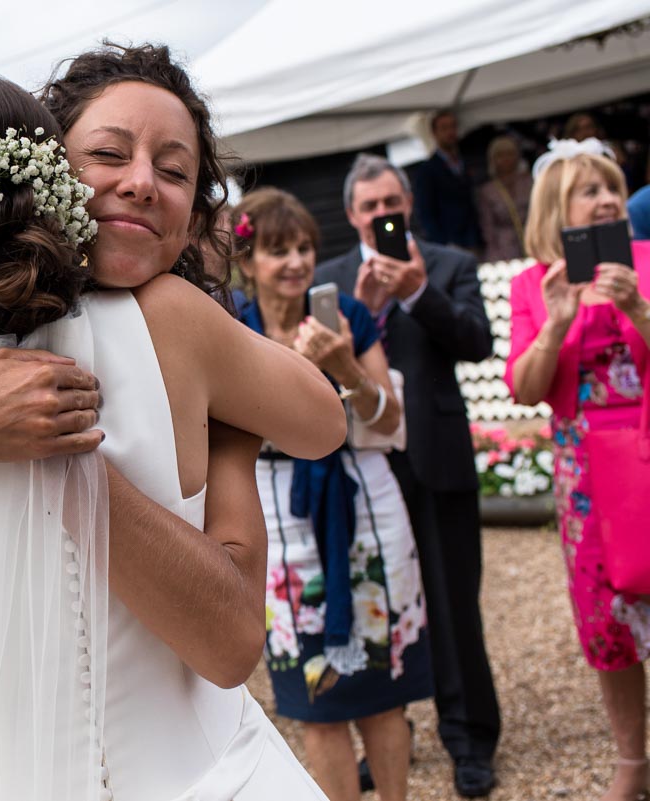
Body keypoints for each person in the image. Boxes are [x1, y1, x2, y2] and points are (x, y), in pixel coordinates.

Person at [0, 54, 350, 800]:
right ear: (42, 162)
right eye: (108, 153)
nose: (141, 182)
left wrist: (227, 438)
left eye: (174, 172)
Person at [230, 188, 432, 801]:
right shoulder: (235, 331)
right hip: (279, 508)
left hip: (363, 498)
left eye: (304, 248)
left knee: (382, 693)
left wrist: (344, 365)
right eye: (278, 250)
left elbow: (390, 419)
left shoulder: (346, 315)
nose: (295, 262)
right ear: (247, 262)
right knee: (315, 700)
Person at [315, 153, 499, 798]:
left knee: (453, 605)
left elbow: (478, 343)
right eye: (369, 206)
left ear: (409, 203)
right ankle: (390, 735)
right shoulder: (330, 279)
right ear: (351, 214)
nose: (381, 214)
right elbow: (317, 371)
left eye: (390, 203)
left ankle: (470, 739)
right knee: (378, 603)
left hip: (437, 456)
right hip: (364, 465)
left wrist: (420, 293)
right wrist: (359, 312)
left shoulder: (449, 264)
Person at [505, 139, 650, 801]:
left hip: (646, 444)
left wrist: (638, 308)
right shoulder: (534, 285)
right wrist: (556, 323)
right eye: (589, 190)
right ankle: (632, 761)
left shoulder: (646, 260)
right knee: (607, 618)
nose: (607, 199)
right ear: (555, 210)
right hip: (587, 476)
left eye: (611, 186)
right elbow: (525, 388)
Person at [413, 109, 482, 253]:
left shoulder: (465, 162)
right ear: (434, 133)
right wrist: (443, 244)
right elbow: (425, 212)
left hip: (473, 240)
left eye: (452, 127)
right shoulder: (427, 170)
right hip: (451, 244)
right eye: (444, 128)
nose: (450, 132)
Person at [476, 135, 532, 262]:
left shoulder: (528, 182)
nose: (506, 159)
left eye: (510, 154)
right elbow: (488, 228)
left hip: (531, 239)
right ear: (493, 160)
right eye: (500, 155)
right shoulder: (488, 191)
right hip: (503, 248)